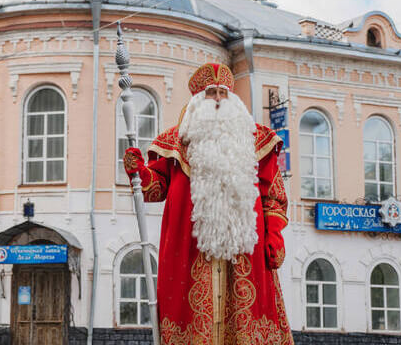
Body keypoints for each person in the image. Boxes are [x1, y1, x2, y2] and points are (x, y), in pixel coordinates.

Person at [123, 62, 293, 345]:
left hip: (245, 255)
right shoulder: (175, 143)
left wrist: (274, 235)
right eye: (210, 93)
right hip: (189, 251)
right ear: (196, 102)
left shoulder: (257, 141)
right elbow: (154, 189)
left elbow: (273, 195)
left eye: (222, 93)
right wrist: (138, 172)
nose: (216, 99)